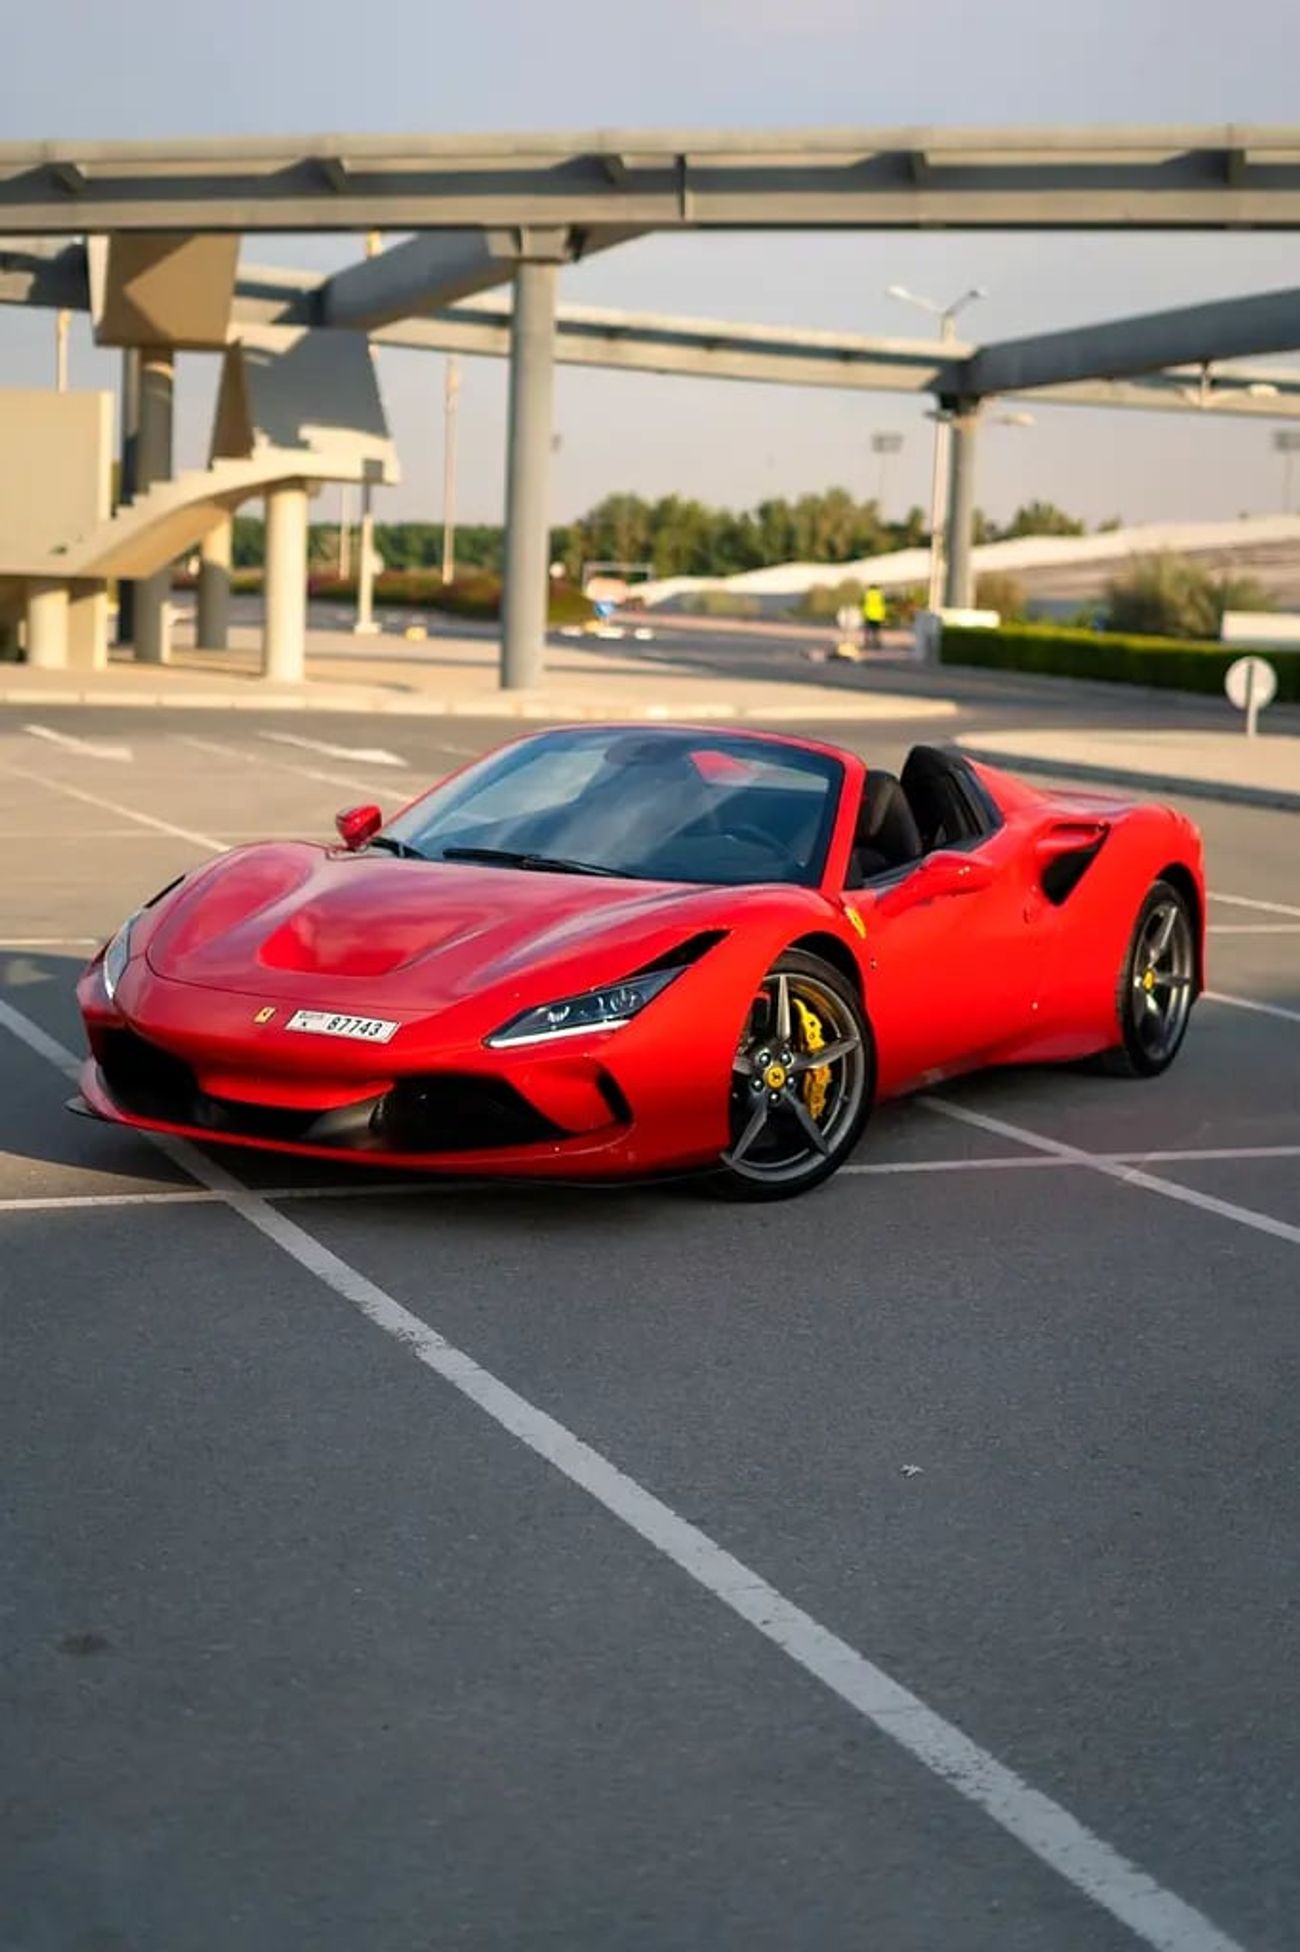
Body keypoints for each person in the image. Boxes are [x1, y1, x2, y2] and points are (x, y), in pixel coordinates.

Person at [861, 583, 886, 650]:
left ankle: (867, 644)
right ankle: (877, 644)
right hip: (878, 615)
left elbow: (863, 604)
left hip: (868, 615)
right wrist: (883, 616)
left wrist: (863, 614)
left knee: (867, 631)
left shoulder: (867, 594)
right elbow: (882, 606)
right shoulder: (880, 595)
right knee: (876, 631)